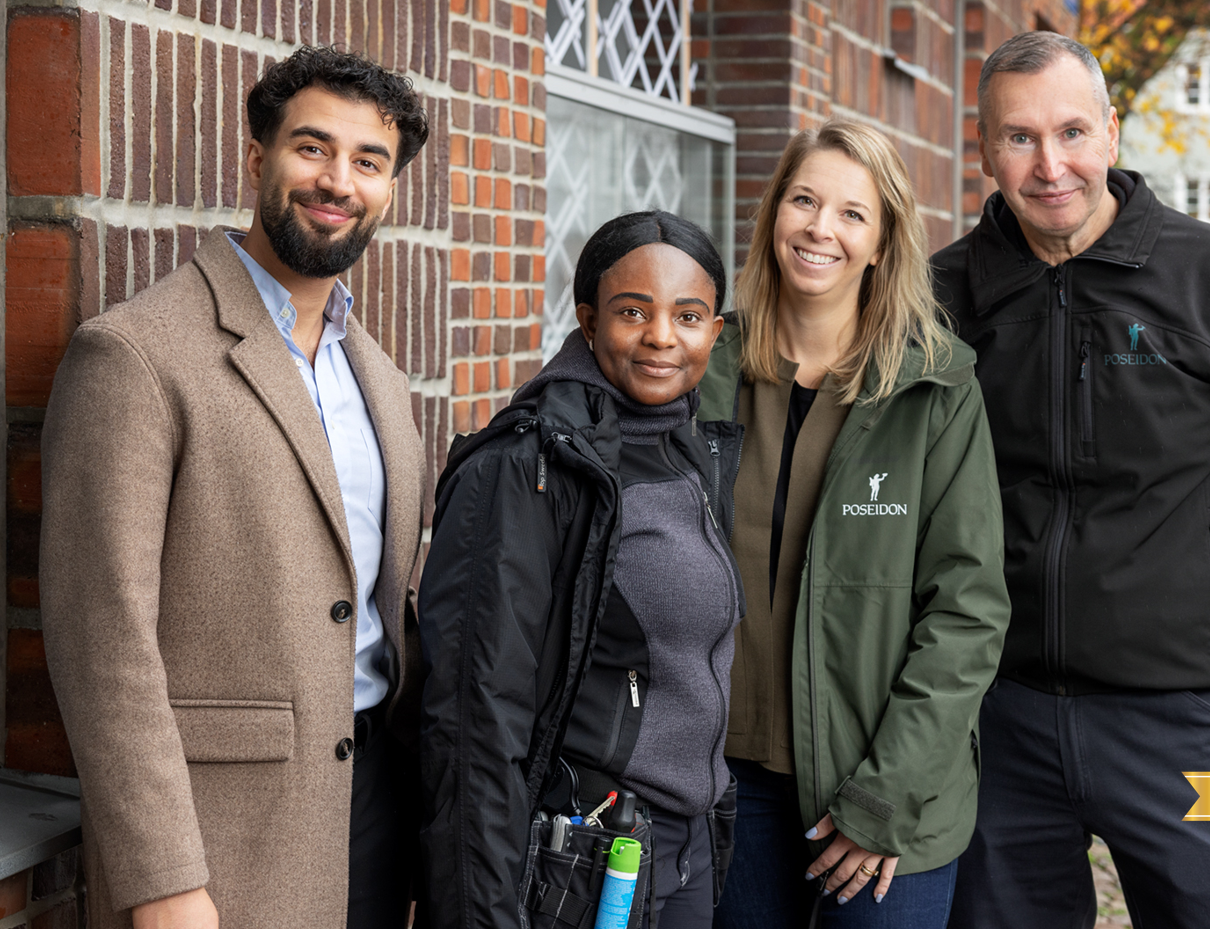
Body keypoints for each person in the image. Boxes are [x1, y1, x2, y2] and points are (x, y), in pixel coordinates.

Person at [932, 32, 1210, 929]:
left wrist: (1208, 615)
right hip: (996, 719)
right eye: (1019, 138)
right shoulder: (942, 297)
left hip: (1182, 713)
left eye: (1072, 132)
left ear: (1112, 134)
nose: (1050, 166)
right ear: (983, 148)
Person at [40, 46, 430, 929]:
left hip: (372, 814)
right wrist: (161, 878)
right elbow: (102, 642)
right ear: (258, 159)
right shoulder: (137, 354)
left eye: (369, 162)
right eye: (312, 148)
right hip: (218, 840)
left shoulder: (383, 380)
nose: (338, 180)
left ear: (391, 188)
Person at [702, 120, 1011, 929]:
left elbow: (966, 613)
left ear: (881, 243)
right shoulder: (706, 372)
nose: (819, 229)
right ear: (773, 215)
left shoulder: (934, 390)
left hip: (881, 793)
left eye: (850, 213)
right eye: (802, 201)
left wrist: (884, 794)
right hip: (728, 782)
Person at [418, 211, 741, 929]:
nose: (662, 336)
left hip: (681, 848)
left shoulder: (692, 451)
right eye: (633, 311)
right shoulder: (529, 467)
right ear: (588, 321)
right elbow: (474, 718)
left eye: (688, 316)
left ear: (714, 334)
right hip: (579, 863)